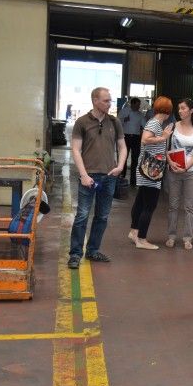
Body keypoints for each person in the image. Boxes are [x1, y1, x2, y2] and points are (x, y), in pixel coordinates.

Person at [67, 87, 127, 269]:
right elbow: (76, 150)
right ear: (95, 100)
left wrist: (120, 166)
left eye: (110, 100)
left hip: (109, 176)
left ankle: (93, 250)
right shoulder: (82, 122)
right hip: (89, 177)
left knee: (102, 216)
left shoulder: (114, 122)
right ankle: (75, 254)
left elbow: (122, 146)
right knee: (82, 215)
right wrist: (83, 175)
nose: (109, 104)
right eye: (106, 100)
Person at [128, 96, 174, 250]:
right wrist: (163, 137)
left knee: (141, 202)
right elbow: (145, 139)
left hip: (149, 169)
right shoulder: (154, 123)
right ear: (167, 111)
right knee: (150, 205)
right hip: (151, 170)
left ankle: (134, 231)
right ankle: (141, 239)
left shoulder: (155, 123)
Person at [165, 98, 193, 250]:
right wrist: (170, 162)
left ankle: (187, 238)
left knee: (189, 207)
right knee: (173, 205)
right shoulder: (172, 127)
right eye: (179, 108)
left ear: (191, 110)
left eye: (183, 108)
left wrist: (186, 167)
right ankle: (171, 236)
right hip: (174, 170)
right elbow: (165, 148)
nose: (180, 111)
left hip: (192, 172)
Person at [118, 97, 146, 186]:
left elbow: (145, 125)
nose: (138, 107)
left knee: (135, 159)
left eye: (139, 105)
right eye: (137, 105)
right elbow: (117, 122)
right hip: (125, 137)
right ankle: (122, 177)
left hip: (136, 138)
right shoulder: (124, 111)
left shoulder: (140, 115)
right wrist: (124, 120)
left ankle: (133, 180)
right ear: (132, 104)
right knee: (124, 157)